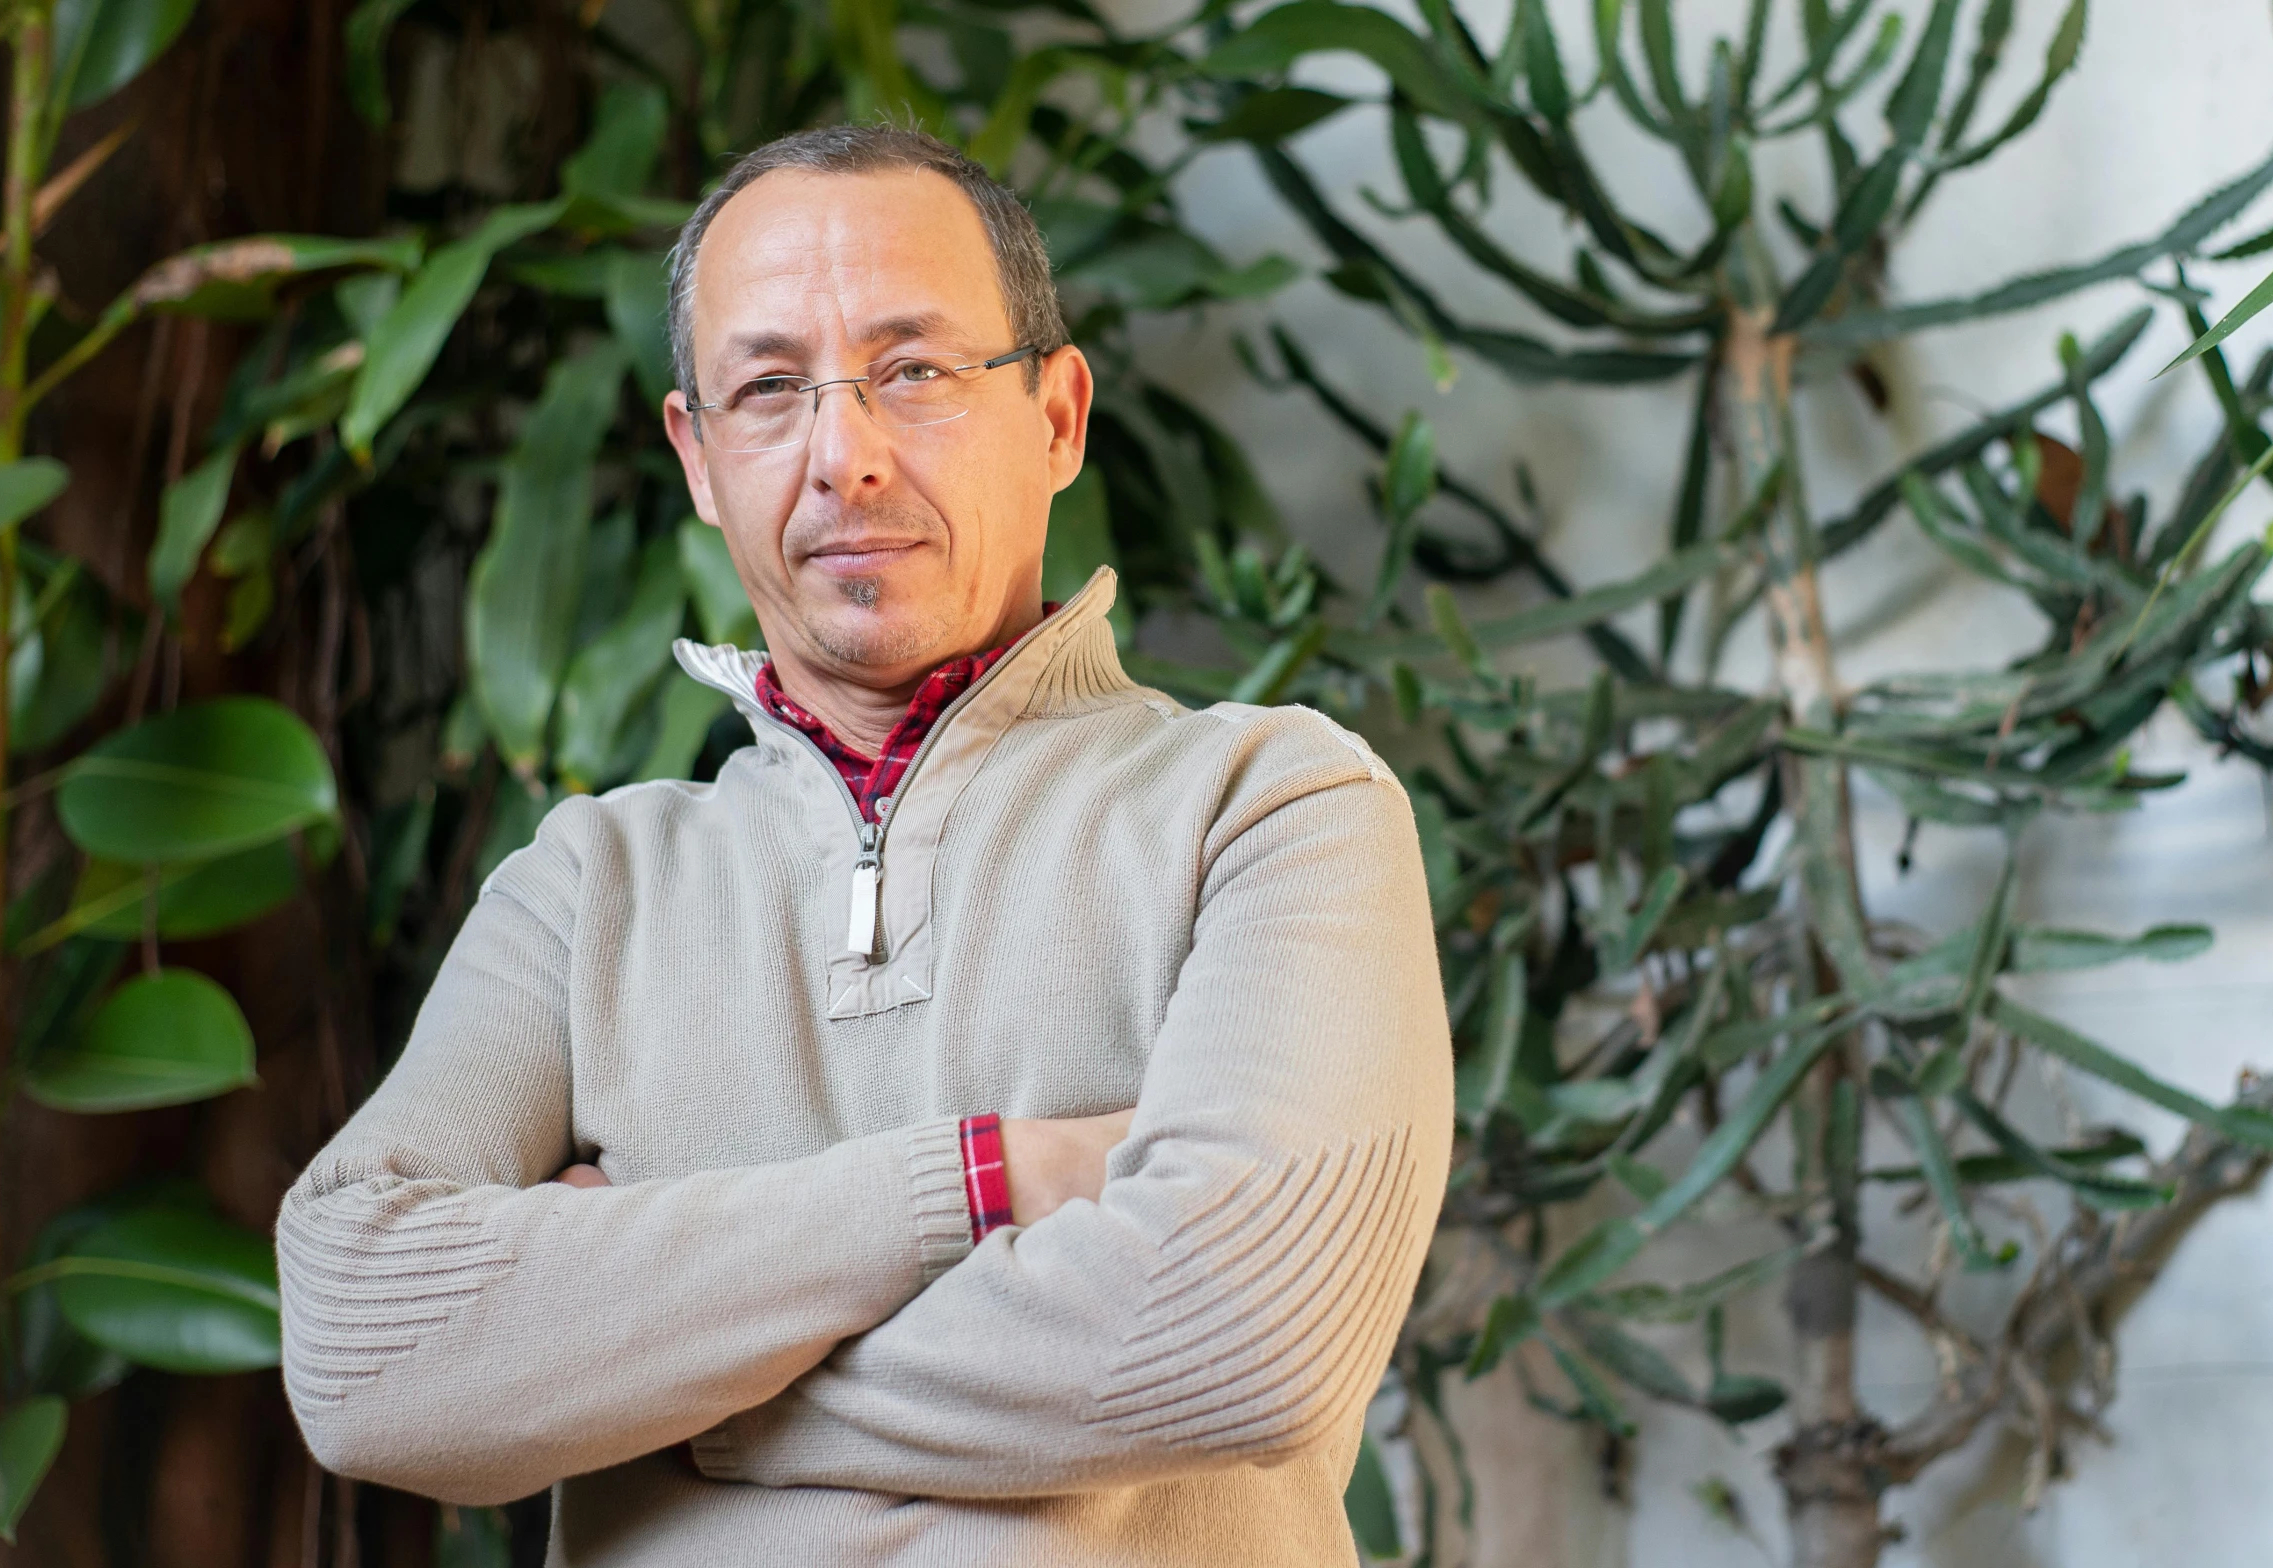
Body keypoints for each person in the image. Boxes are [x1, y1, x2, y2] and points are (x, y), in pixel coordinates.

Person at [275, 124, 1451, 1566]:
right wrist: (979, 1183)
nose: (848, 457)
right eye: (770, 390)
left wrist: (645, 1373)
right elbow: (360, 1352)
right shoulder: (588, 887)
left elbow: (1235, 1332)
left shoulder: (1272, 810)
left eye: (917, 371)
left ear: (1059, 417)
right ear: (698, 458)